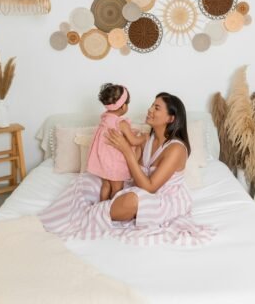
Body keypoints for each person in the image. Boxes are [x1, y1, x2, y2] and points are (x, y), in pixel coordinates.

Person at [39, 92, 215, 246]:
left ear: (170, 118)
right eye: (151, 105)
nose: (150, 110)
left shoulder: (176, 149)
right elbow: (132, 172)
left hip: (163, 198)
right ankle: (82, 212)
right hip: (139, 186)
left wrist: (126, 150)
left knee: (132, 200)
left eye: (157, 107)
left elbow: (151, 187)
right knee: (90, 179)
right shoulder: (147, 138)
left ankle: (88, 214)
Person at [87, 83, 148, 201]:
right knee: (117, 188)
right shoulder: (121, 123)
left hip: (102, 161)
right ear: (123, 106)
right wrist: (144, 138)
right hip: (114, 163)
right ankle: (112, 208)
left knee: (106, 185)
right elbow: (133, 141)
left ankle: (101, 206)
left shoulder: (105, 118)